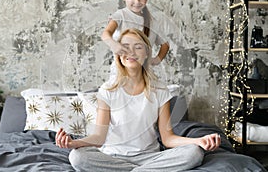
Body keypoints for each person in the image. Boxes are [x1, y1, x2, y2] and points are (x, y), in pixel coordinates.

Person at [56, 28, 221, 172]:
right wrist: (73, 143)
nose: (131, 52)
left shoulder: (160, 91)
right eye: (125, 47)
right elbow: (99, 138)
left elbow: (167, 138)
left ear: (147, 53)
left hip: (149, 158)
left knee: (194, 153)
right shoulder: (107, 91)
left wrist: (199, 141)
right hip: (113, 158)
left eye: (138, 47)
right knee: (77, 157)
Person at [101, 0, 170, 80]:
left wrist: (155, 60)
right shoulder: (120, 16)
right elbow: (106, 34)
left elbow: (165, 45)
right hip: (120, 74)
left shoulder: (152, 22)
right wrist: (113, 44)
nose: (137, 2)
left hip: (144, 76)